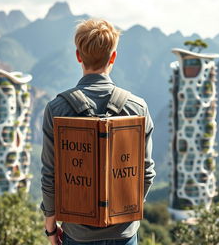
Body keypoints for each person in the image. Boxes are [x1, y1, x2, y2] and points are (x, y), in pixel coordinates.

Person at [41, 19, 156, 245]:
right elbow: (146, 173)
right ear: (113, 57)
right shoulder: (137, 108)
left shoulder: (56, 109)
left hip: (77, 234)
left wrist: (51, 229)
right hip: (124, 235)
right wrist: (124, 211)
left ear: (78, 56)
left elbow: (50, 177)